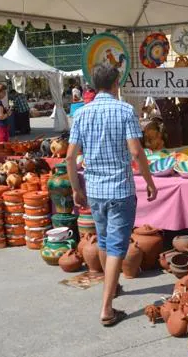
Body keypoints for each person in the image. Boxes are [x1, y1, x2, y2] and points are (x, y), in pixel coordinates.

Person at [66, 64, 158, 327]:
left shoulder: (82, 113)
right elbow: (136, 151)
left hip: (94, 190)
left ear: (94, 85)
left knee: (106, 242)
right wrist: (149, 181)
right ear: (117, 82)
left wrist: (76, 188)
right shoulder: (125, 110)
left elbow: (70, 156)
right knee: (116, 245)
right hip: (120, 189)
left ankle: (113, 285)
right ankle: (107, 308)